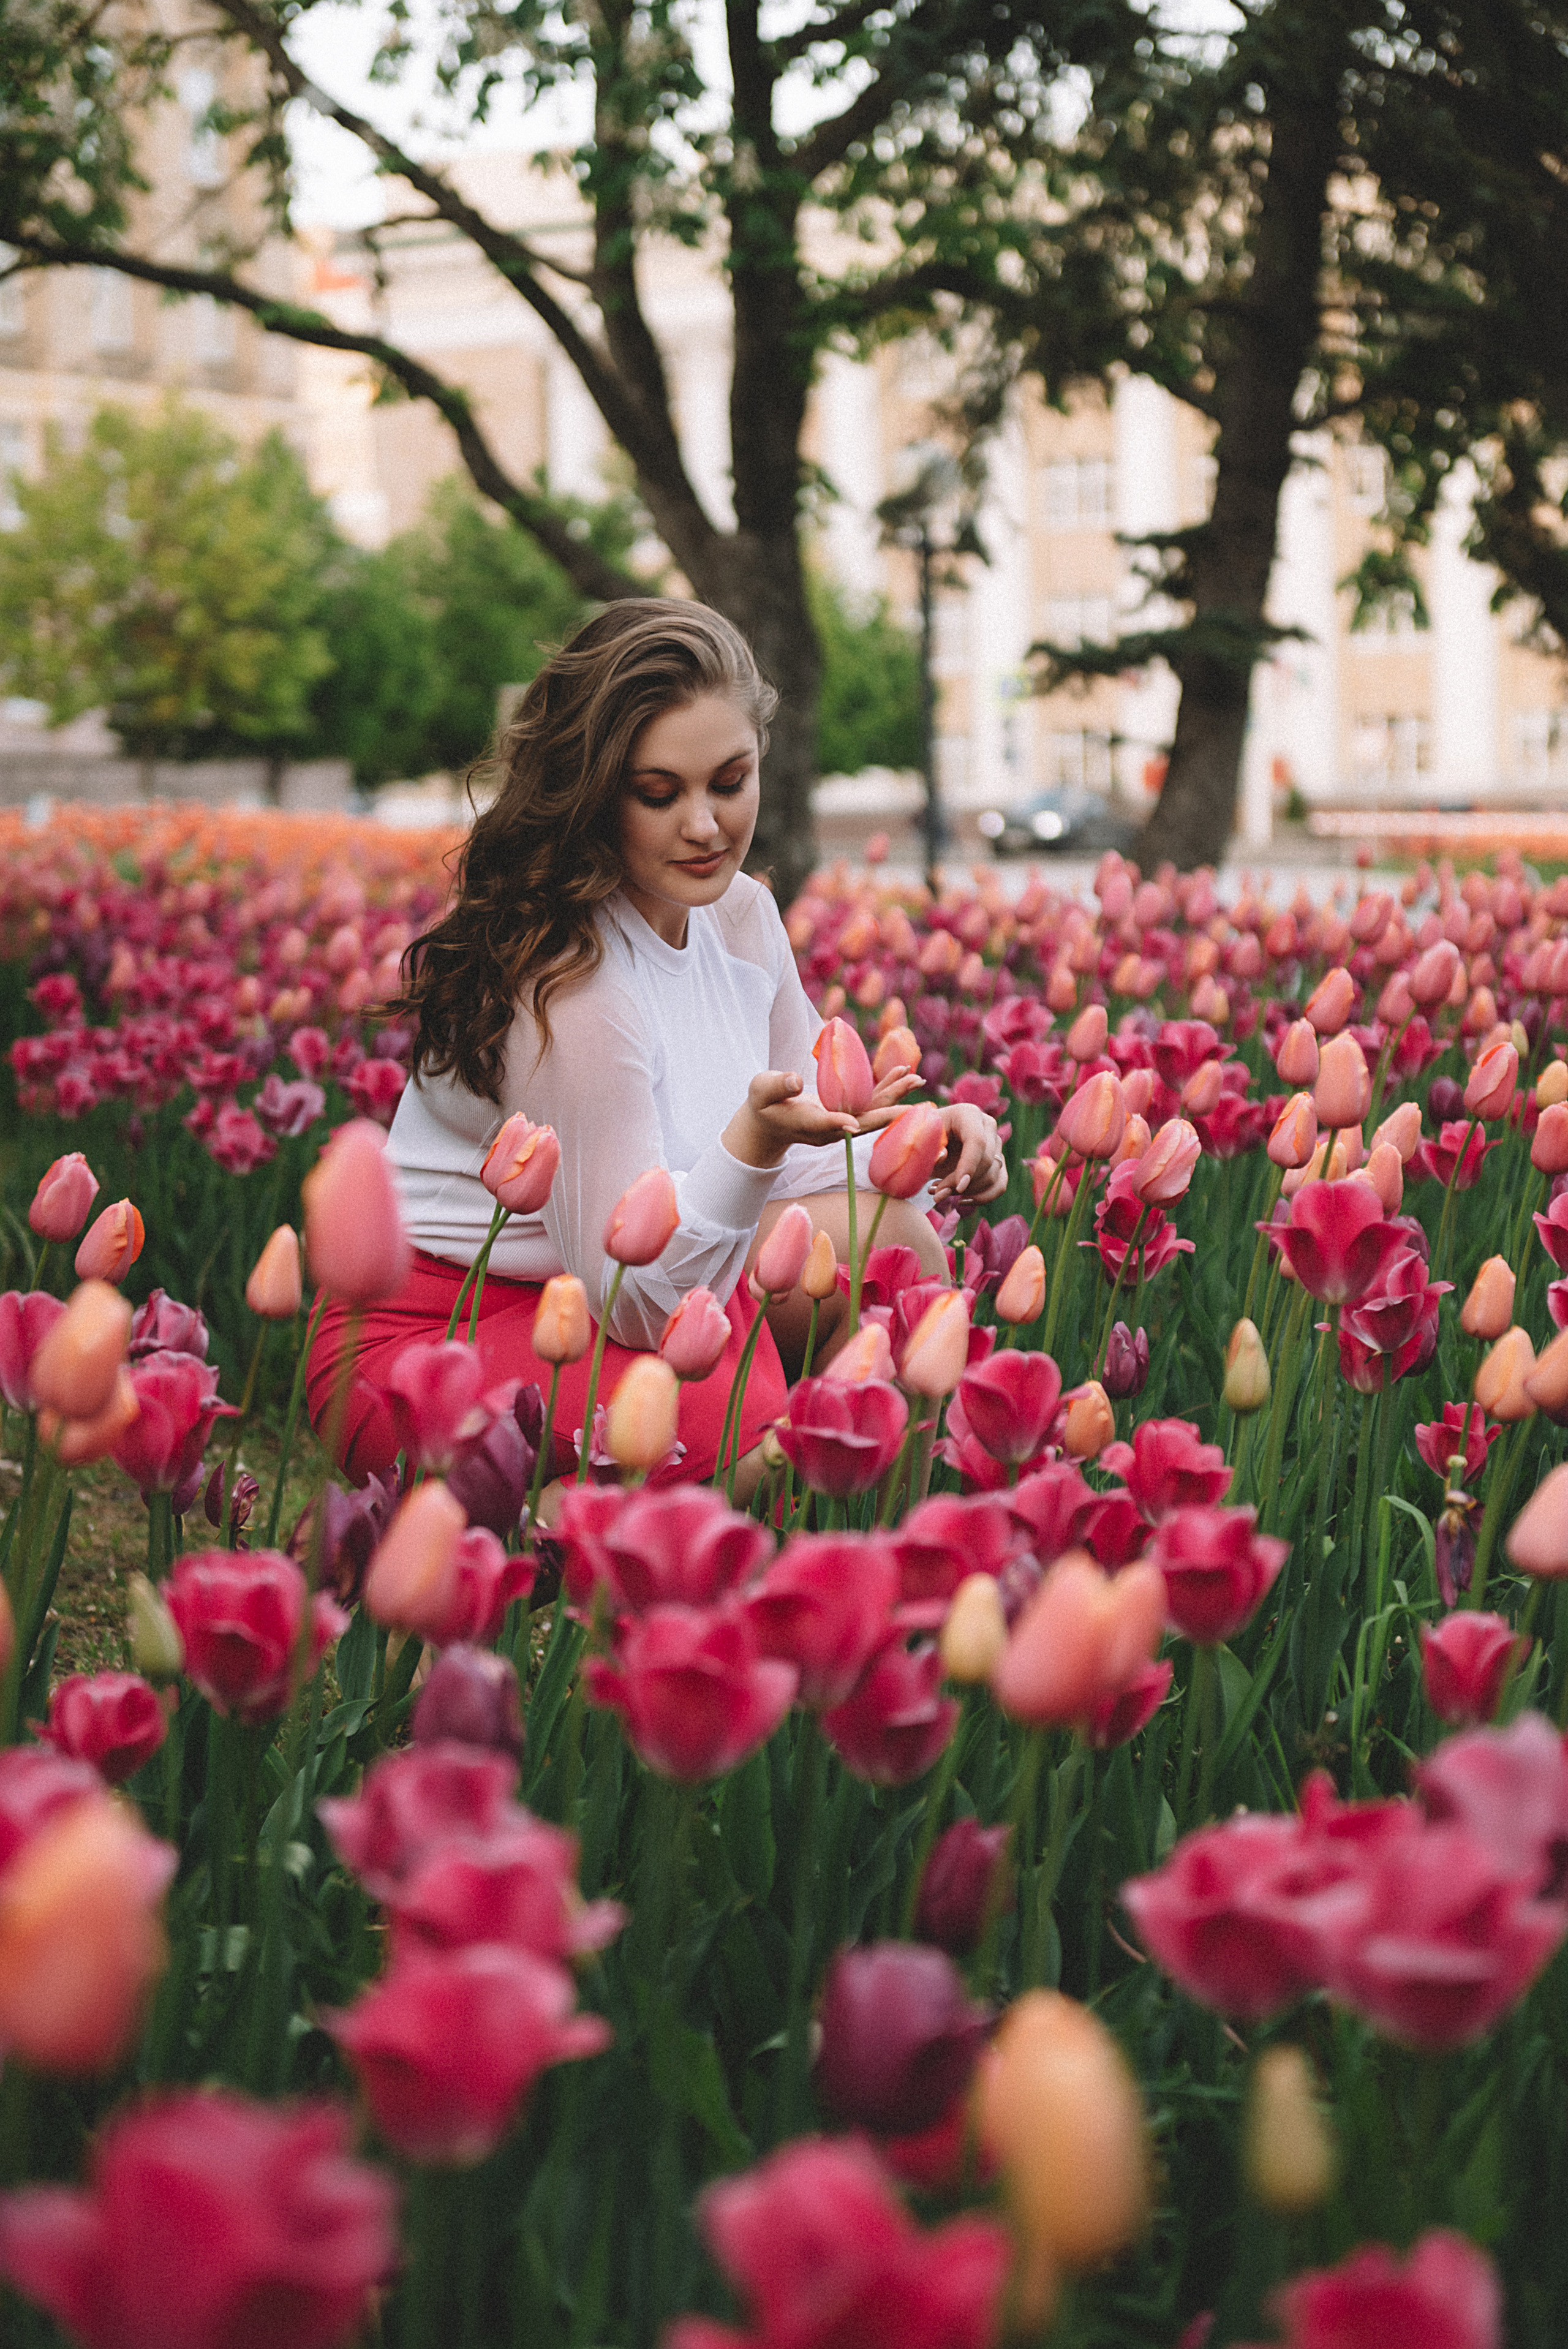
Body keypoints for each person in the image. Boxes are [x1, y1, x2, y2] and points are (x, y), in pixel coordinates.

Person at [304, 599, 1006, 1488]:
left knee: (896, 1254)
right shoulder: (566, 985)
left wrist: (922, 1140)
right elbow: (636, 1298)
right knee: (726, 1403)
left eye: (730, 780)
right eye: (659, 793)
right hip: (434, 1333)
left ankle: (850, 1564)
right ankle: (608, 1542)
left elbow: (807, 1149)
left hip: (595, 1309)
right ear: (594, 793)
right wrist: (751, 1142)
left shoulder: (743, 919)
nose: (707, 826)